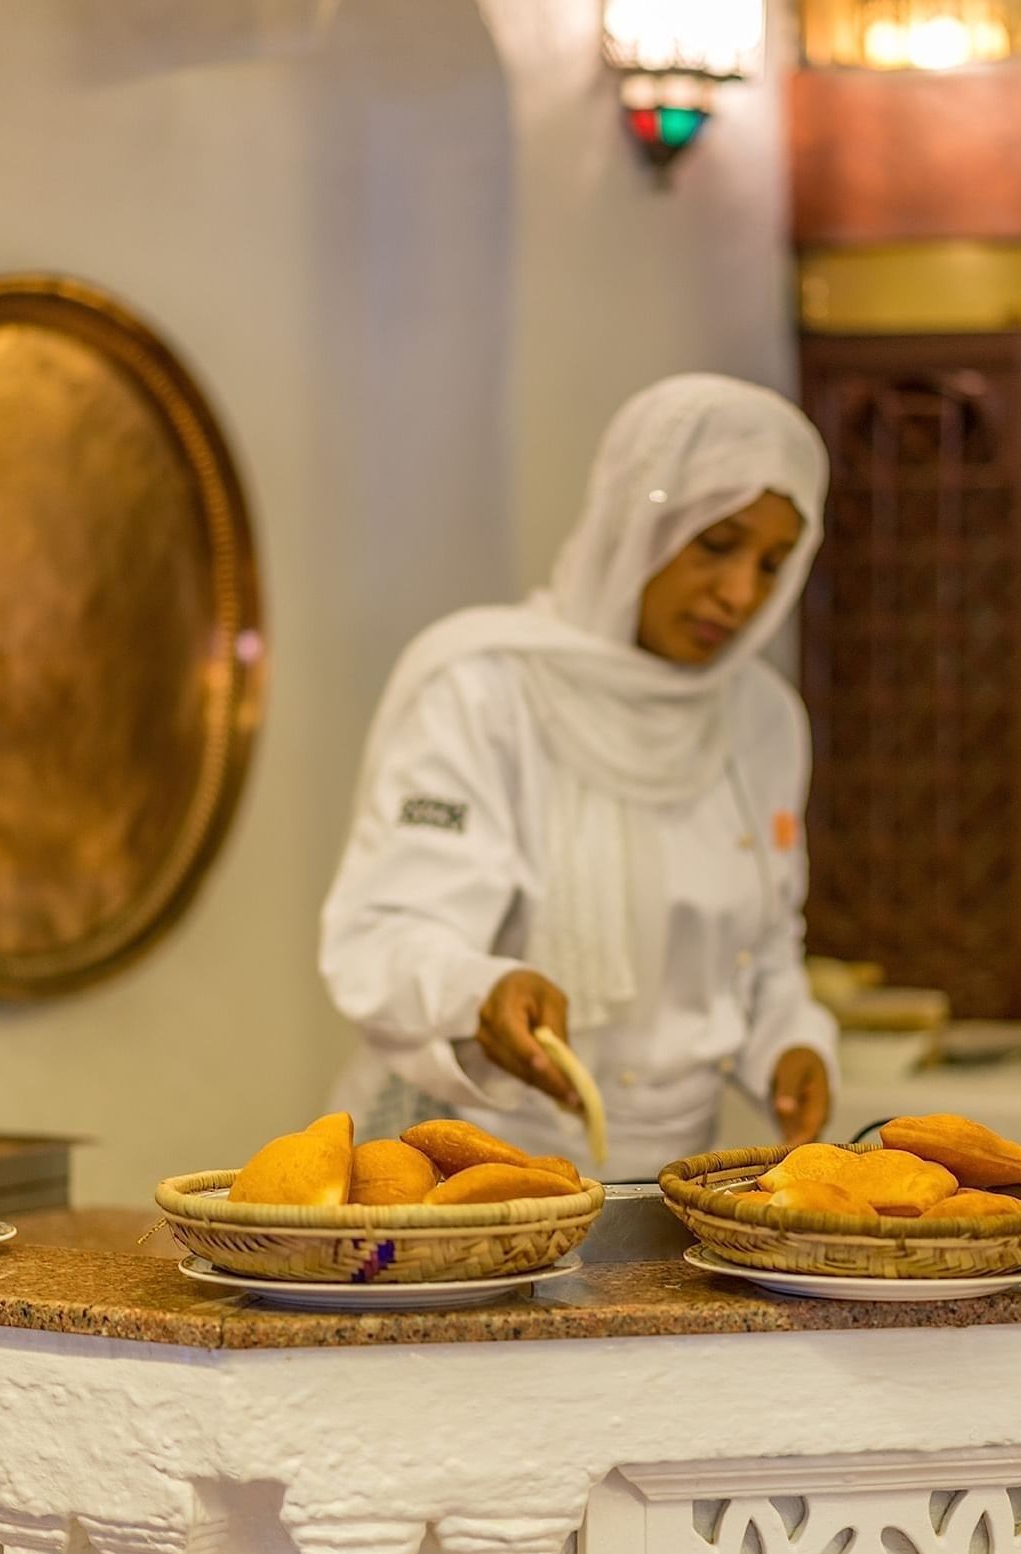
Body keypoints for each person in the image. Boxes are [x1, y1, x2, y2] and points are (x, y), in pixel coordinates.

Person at [319, 373, 838, 1180]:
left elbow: (764, 943)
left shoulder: (761, 720)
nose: (740, 594)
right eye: (716, 543)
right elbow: (385, 932)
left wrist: (792, 1042)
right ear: (639, 521)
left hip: (675, 1184)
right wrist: (481, 993)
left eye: (773, 564)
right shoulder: (483, 683)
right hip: (457, 1164)